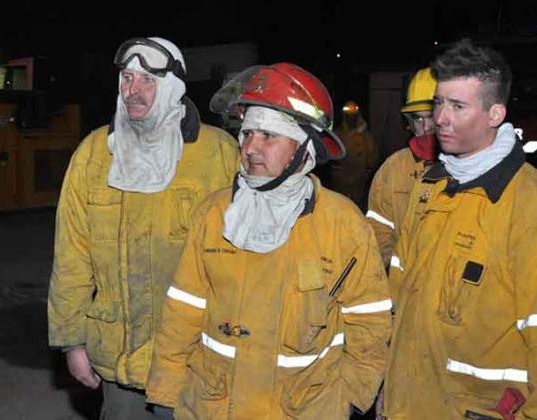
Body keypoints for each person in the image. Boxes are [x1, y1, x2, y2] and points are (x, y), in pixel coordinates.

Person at [146, 63, 392, 419]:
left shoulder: (343, 224)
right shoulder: (214, 214)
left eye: (268, 136)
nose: (251, 148)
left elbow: (369, 322)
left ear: (304, 148)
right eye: (247, 135)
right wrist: (167, 394)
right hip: (215, 406)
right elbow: (182, 311)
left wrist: (351, 399)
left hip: (304, 409)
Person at [382, 39, 537, 419]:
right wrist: (388, 384)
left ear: (495, 113)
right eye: (439, 103)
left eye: (457, 106)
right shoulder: (427, 189)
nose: (441, 118)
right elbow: (400, 303)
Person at [47, 37, 239, 419]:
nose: (132, 90)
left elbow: (247, 261)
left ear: (173, 87)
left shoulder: (218, 153)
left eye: (147, 79)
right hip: (121, 361)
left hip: (195, 358)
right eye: (127, 77)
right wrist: (71, 343)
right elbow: (72, 255)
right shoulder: (93, 155)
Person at [366, 67, 438, 277]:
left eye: (431, 116)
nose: (425, 127)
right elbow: (377, 227)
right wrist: (394, 266)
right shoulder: (394, 168)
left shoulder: (465, 167)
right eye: (417, 118)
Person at [329, 100, 379, 209]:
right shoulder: (338, 135)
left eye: (353, 116)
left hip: (359, 185)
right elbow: (332, 160)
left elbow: (372, 159)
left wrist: (365, 175)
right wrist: (339, 177)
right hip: (340, 186)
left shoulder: (366, 137)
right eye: (348, 116)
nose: (351, 119)